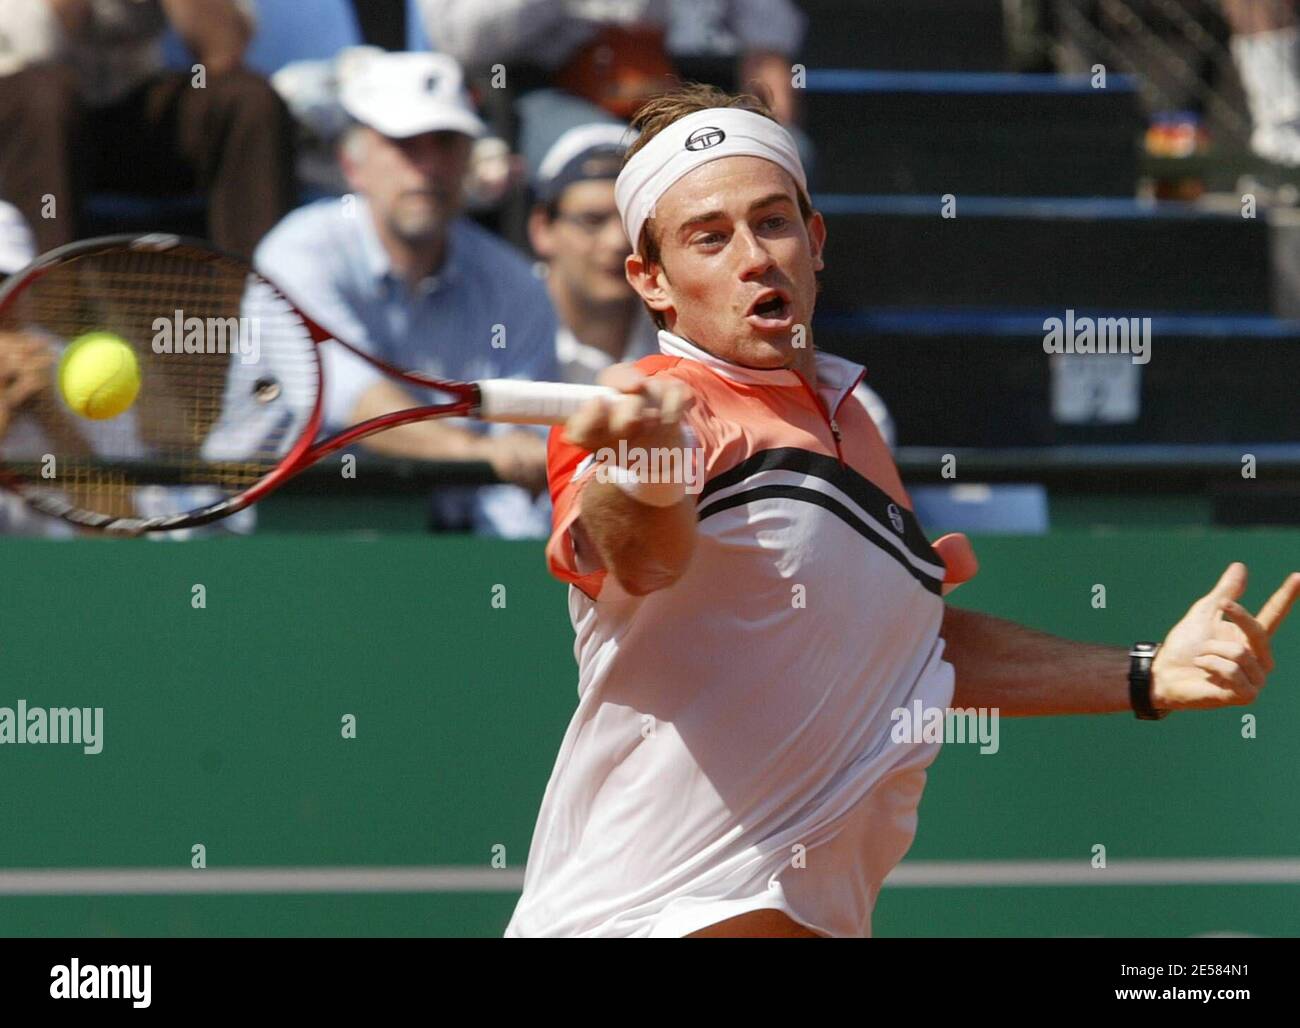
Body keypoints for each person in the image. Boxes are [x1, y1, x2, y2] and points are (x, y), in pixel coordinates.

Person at [504, 84, 1300, 938]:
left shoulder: (853, 425)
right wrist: (647, 471)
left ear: (814, 242)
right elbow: (644, 560)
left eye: (772, 223)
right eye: (709, 237)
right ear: (651, 281)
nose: (754, 256)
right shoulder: (657, 406)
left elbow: (911, 651)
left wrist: (1143, 674)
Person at [254, 51, 558, 537]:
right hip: (262, 546)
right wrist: (480, 454)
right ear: (352, 164)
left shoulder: (515, 285)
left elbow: (523, 467)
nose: (428, 167)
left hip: (446, 556)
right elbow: (356, 405)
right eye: (403, 144)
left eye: (445, 143)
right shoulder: (296, 252)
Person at [0, 0, 294, 259]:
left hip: (127, 110)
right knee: (45, 98)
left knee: (248, 99)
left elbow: (223, 51)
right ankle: (32, 306)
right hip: (23, 112)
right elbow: (36, 47)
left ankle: (263, 304)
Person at [528, 122, 659, 384]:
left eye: (630, 221)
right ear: (542, 229)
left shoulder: (683, 332)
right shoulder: (500, 321)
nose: (617, 241)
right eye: (592, 220)